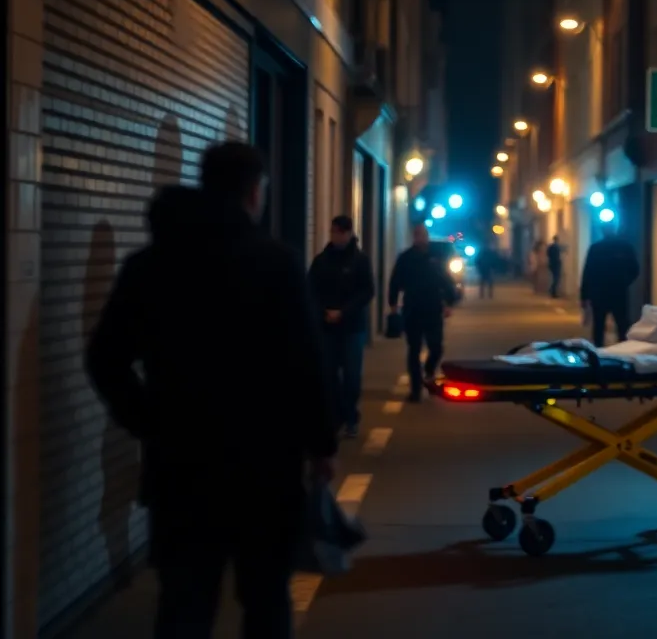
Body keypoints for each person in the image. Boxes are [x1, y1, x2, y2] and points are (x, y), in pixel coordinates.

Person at [86, 142, 336, 639]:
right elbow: (307, 364)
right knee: (265, 600)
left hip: (180, 465)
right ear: (253, 191)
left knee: (184, 602)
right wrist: (321, 445)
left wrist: (150, 421)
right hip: (265, 466)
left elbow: (104, 358)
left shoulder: (149, 265)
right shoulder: (275, 263)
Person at [308, 215, 375, 439]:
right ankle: (338, 417)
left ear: (348, 233)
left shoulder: (360, 261)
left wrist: (343, 312)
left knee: (351, 376)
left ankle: (351, 416)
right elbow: (310, 290)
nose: (335, 236)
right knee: (329, 375)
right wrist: (322, 313)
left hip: (352, 328)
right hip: (327, 328)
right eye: (333, 231)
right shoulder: (321, 261)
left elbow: (367, 291)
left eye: (339, 232)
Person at [388, 223, 459, 401]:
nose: (420, 238)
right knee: (414, 349)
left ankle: (428, 369)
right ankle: (415, 389)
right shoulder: (405, 258)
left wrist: (450, 302)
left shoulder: (435, 257)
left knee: (436, 347)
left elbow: (446, 280)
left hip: (433, 308)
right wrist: (393, 304)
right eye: (417, 235)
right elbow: (395, 281)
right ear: (414, 237)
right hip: (412, 309)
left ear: (426, 237)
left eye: (423, 235)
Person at [580, 223, 640, 347]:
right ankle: (624, 351)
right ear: (615, 229)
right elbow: (635, 269)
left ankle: (598, 354)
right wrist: (625, 282)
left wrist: (584, 296)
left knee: (599, 325)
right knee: (622, 324)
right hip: (619, 292)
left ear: (601, 230)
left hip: (599, 293)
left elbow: (588, 272)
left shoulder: (595, 248)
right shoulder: (625, 247)